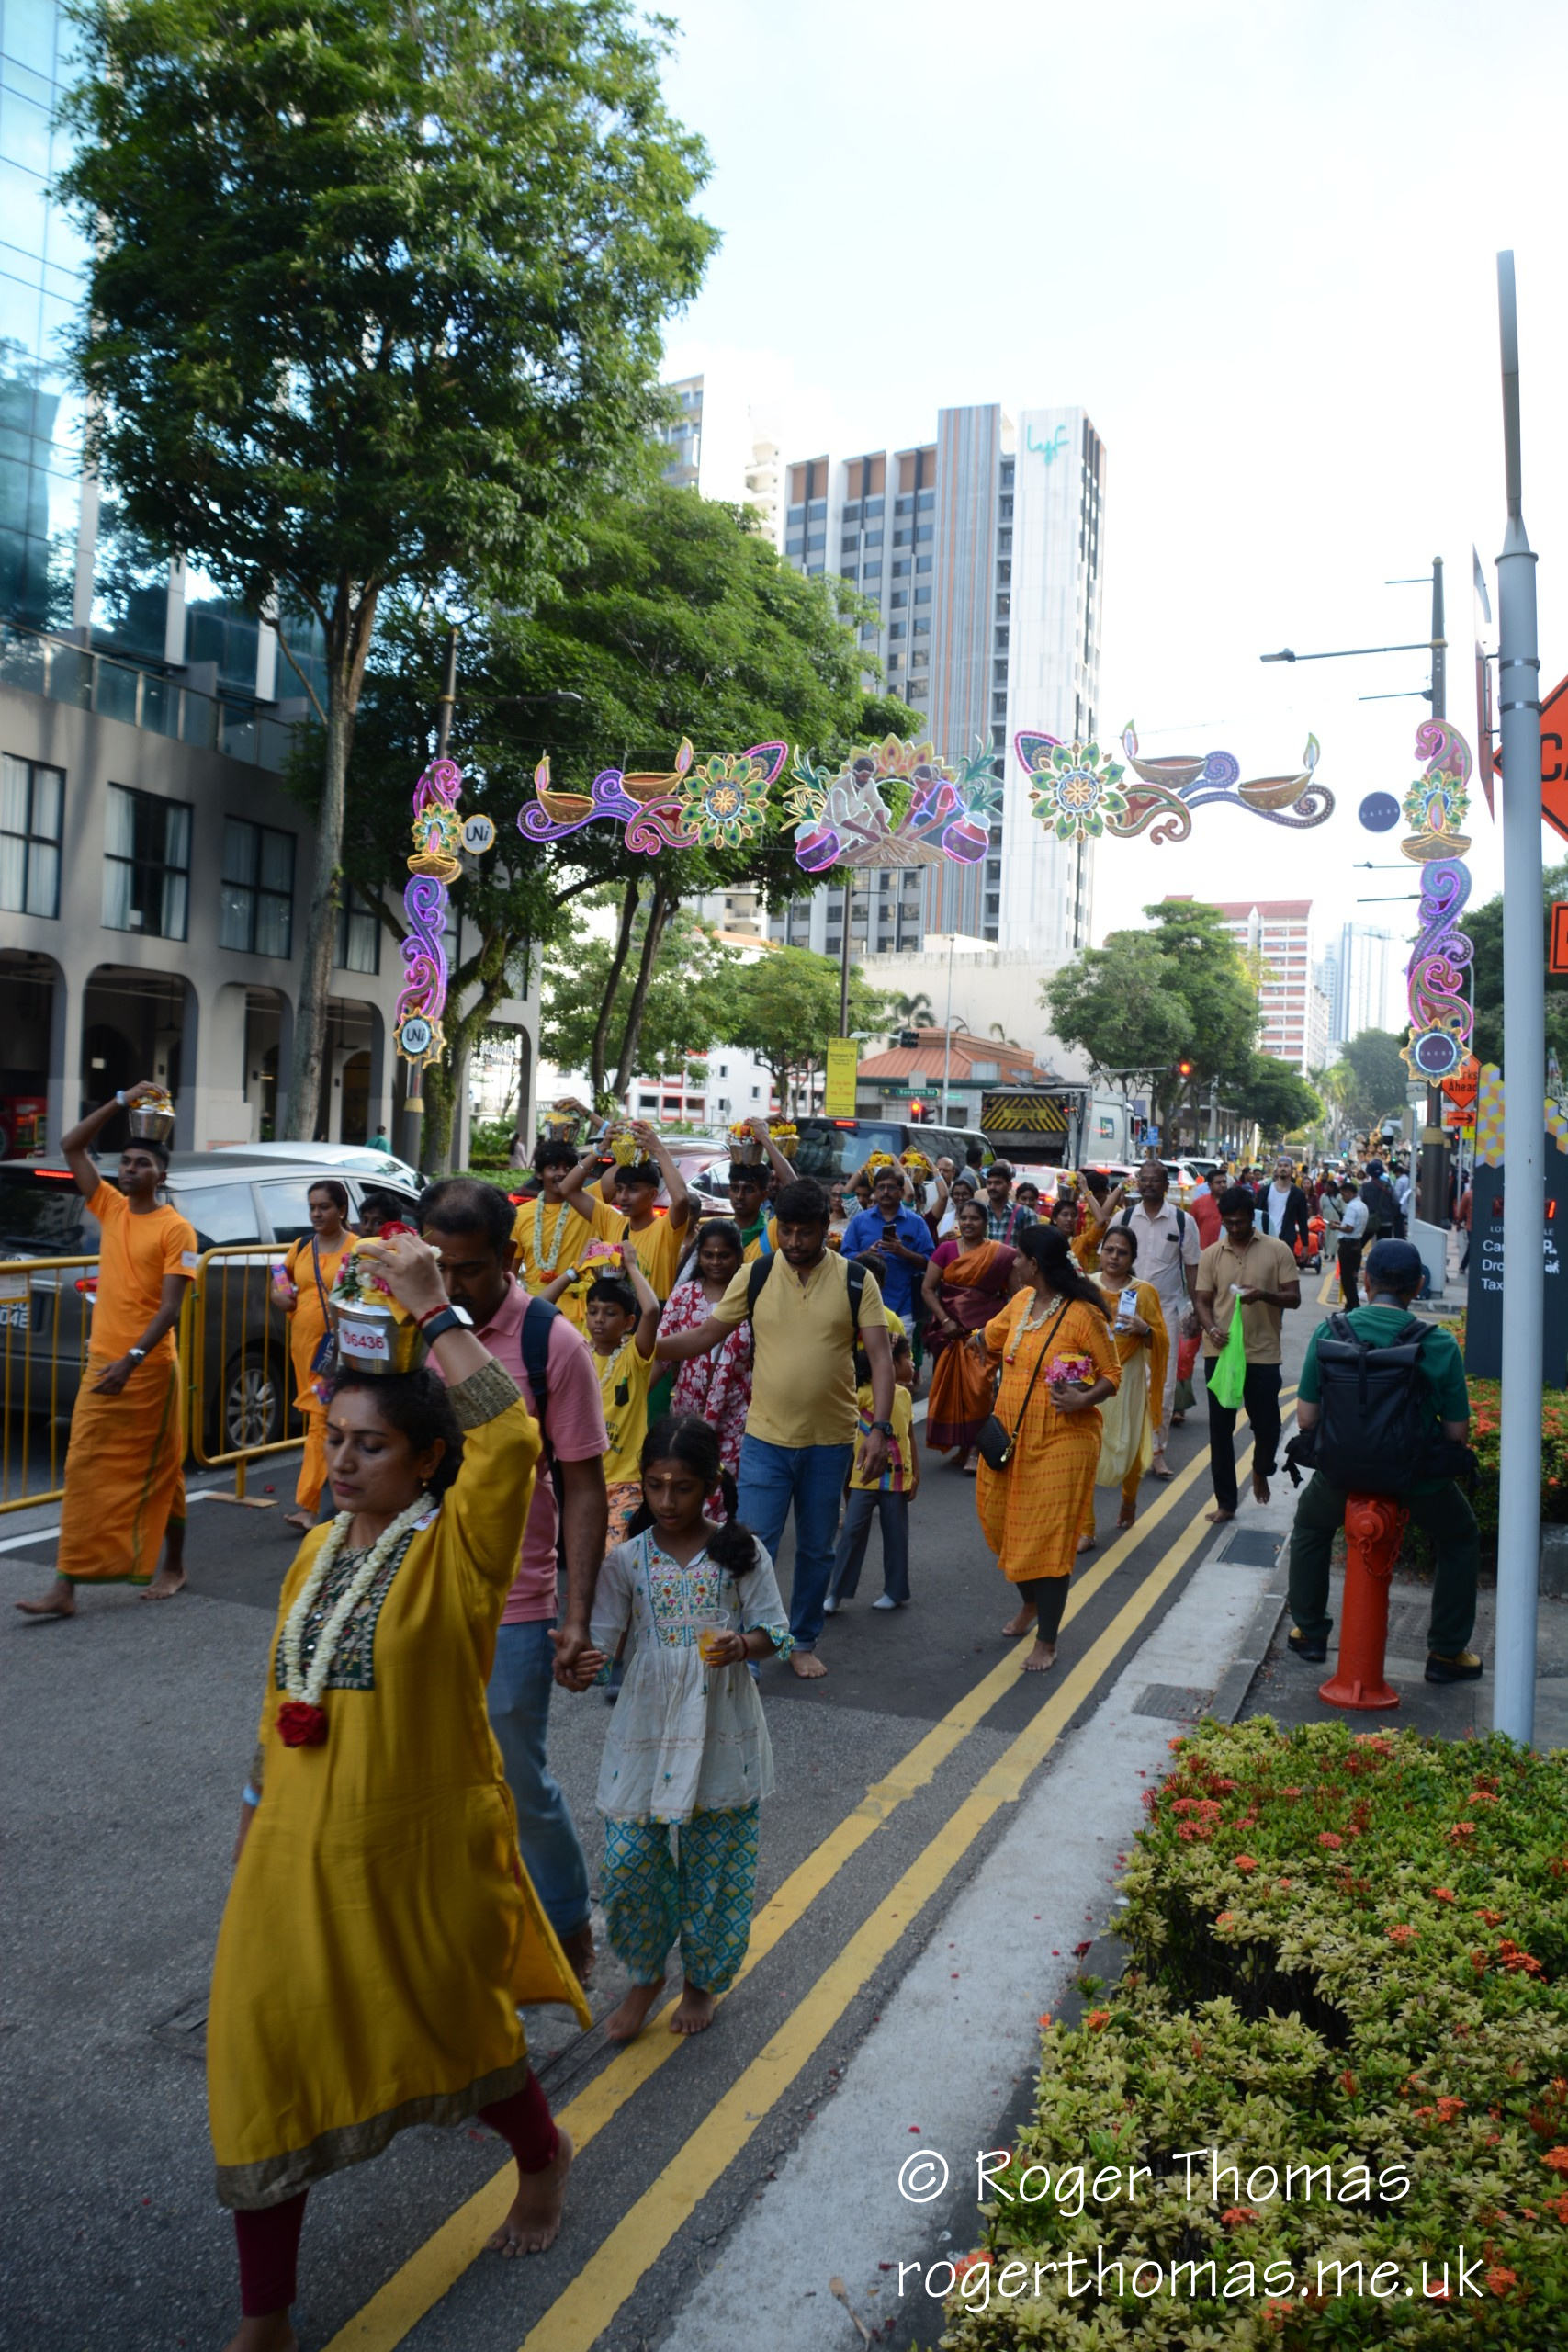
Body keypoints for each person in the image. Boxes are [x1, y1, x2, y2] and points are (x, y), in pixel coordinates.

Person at [206, 1231, 587, 2346]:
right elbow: (280, 1702)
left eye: (372, 1446)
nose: (346, 1461)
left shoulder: (457, 1554)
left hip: (416, 1852)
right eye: (336, 1440)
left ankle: (543, 2156)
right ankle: (265, 2317)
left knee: (457, 2030)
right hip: (293, 1853)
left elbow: (512, 1434)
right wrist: (248, 1814)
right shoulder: (313, 1552)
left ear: (426, 1459)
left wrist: (433, 1308)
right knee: (261, 2050)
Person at [419, 1177, 608, 1985]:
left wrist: (576, 1616)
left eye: (464, 1270)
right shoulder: (406, 1323)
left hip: (514, 1604)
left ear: (507, 1257)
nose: (448, 1286)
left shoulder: (550, 1342)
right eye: (435, 1265)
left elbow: (584, 1486)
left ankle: (567, 1932)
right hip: (416, 1593)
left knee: (516, 1783)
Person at [583, 1414, 793, 2044]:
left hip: (721, 1723)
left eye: (681, 1487)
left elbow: (775, 1633)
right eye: (654, 1486)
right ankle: (645, 1975)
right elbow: (599, 1644)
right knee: (628, 1862)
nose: (666, 1501)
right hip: (645, 1725)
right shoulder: (625, 1561)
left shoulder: (740, 1553)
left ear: (709, 1486)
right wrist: (575, 1661)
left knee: (715, 1866)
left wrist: (741, 1644)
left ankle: (702, 1980)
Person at [656, 1178, 894, 1680]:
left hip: (830, 1442)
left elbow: (880, 1358)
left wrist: (881, 1430)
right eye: (784, 1231)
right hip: (763, 1439)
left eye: (804, 1233)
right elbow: (704, 1334)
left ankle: (802, 1640)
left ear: (826, 1229)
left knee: (815, 1547)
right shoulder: (757, 1274)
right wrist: (645, 1349)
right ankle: (749, 1645)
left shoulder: (855, 1280)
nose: (792, 1243)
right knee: (752, 1543)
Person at [17, 1082, 197, 1619]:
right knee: (84, 1466)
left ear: (161, 1175)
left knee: (165, 1469)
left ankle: (175, 1565)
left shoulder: (177, 1230)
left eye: (142, 1163)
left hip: (147, 1368)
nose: (129, 1169)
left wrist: (132, 1361)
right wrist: (120, 1102)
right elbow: (72, 1146)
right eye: (126, 1161)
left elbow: (169, 1310)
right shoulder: (111, 1207)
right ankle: (65, 1587)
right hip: (104, 1363)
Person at [1284, 1238, 1482, 1683]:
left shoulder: (1329, 1332)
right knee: (1461, 1536)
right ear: (1418, 1285)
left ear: (1366, 1281)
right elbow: (1456, 1434)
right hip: (1417, 1481)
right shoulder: (1440, 1344)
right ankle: (1447, 1653)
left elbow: (1307, 1418)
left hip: (1342, 1475)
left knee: (1311, 1527)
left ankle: (1310, 1633)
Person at [972, 1224, 1119, 1675]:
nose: (1012, 1263)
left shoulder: (1083, 1315)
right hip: (1010, 1433)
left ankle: (1048, 1640)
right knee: (999, 1522)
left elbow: (1112, 1374)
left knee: (1049, 1538)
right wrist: (968, 1339)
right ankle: (1031, 1602)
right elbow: (990, 1339)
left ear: (1035, 1265)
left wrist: (1082, 1397)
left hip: (1063, 1437)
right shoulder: (1018, 1303)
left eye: (1019, 1257)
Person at [1195, 1184, 1301, 1524]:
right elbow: (1201, 1300)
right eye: (1229, 1223)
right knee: (1220, 1432)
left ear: (1252, 1218)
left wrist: (1264, 1295)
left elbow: (1294, 1297)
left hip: (1263, 1353)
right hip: (1221, 1352)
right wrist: (1210, 1327)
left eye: (1240, 1222)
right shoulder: (1212, 1253)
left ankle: (1260, 1469)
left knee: (1268, 1427)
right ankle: (1226, 1502)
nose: (1234, 1228)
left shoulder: (1277, 1249)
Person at [544, 1252, 660, 1548]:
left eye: (609, 1313)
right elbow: (539, 1308)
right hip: (579, 1479)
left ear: (628, 1322)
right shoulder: (576, 1349)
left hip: (623, 1481)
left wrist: (632, 1265)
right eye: (593, 1311)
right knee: (582, 1559)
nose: (598, 1319)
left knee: (612, 1557)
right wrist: (574, 1269)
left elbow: (651, 1311)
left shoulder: (635, 1357)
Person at [1100, 1159, 1199, 1482]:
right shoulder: (1124, 1217)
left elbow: (1193, 1270)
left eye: (1155, 1180)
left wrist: (1196, 1311)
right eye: (1143, 1179)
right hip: (1122, 1308)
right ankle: (1119, 1450)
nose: (1148, 1185)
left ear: (1165, 1186)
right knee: (1120, 1380)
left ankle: (1156, 1452)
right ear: (1137, 1182)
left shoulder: (1183, 1222)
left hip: (1164, 1312)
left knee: (1163, 1385)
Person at [1080, 1222, 1168, 1544]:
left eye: (1123, 1252)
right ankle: (1086, 1528)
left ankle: (1129, 1500)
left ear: (1133, 1258)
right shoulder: (1084, 1286)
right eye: (1110, 1249)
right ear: (1101, 1251)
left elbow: (1159, 1341)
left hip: (1126, 1379)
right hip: (1089, 1378)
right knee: (1086, 1448)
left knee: (1128, 1448)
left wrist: (1145, 1329)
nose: (1114, 1257)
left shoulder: (1143, 1292)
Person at [276, 1181, 355, 1533]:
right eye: (312, 1207)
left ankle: (309, 1506)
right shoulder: (302, 1246)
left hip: (338, 1349)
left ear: (341, 1210)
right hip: (304, 1348)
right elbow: (280, 1277)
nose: (317, 1213)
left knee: (320, 1420)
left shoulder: (358, 1247)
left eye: (324, 1207)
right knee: (321, 1419)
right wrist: (281, 1296)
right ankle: (345, 1493)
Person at [922, 1196, 1018, 1472]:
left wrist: (996, 1328)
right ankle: (965, 1447)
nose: (967, 1223)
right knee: (957, 1392)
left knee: (981, 1390)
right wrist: (944, 1320)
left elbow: (1015, 1297)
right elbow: (928, 1289)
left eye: (974, 1218)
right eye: (963, 1218)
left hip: (986, 1334)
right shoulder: (945, 1250)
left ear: (985, 1223)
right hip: (950, 1332)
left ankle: (977, 1450)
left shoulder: (1001, 1254)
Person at [826, 1332, 918, 1611]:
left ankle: (896, 1590)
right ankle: (836, 1592)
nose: (912, 1364)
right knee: (852, 1532)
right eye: (907, 1359)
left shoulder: (904, 1396)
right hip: (863, 1477)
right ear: (890, 1364)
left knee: (896, 1535)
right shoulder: (860, 1396)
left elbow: (911, 1436)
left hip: (898, 1477)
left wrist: (916, 1474)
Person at [656, 1221, 752, 1477]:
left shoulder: (752, 1298)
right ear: (699, 1256)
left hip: (736, 1420)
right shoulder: (683, 1296)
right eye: (708, 1255)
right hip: (688, 1417)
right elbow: (661, 1355)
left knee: (725, 1495)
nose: (716, 1262)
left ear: (738, 1256)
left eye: (724, 1255)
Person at [560, 1120, 692, 1303]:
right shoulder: (612, 1220)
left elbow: (681, 1199)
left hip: (651, 1328)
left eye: (633, 1190)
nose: (623, 1197)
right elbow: (568, 1189)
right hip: (617, 1327)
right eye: (620, 1189)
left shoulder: (667, 1229)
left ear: (653, 1194)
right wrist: (600, 1149)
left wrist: (659, 1150)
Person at [511, 1139, 623, 1332]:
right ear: (539, 1173)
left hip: (583, 1313)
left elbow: (620, 1169)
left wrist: (604, 1147)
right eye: (554, 1167)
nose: (562, 1173)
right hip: (537, 1309)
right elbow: (510, 1274)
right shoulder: (521, 1215)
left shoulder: (589, 1202)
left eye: (568, 1168)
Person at [840, 1161, 932, 1339]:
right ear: (875, 1192)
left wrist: (903, 1252)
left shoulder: (916, 1223)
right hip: (863, 1302)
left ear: (900, 1191)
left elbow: (929, 1262)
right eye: (881, 1187)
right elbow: (844, 1258)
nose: (885, 1192)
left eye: (891, 1187)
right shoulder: (860, 1221)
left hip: (905, 1307)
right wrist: (865, 1255)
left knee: (899, 1360)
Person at [726, 1120, 797, 1262]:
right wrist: (756, 1128)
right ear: (729, 1192)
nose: (739, 1196)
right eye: (735, 1188)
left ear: (764, 1195)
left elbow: (796, 1191)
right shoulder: (720, 1233)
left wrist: (765, 1137)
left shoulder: (771, 1232)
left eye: (749, 1190)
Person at [1258, 1156, 1310, 1257]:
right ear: (1276, 1170)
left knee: (1283, 1271)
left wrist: (1305, 1244)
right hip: (1266, 1238)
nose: (1283, 1168)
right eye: (1280, 1166)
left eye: (1286, 1166)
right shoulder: (1264, 1191)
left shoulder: (1298, 1194)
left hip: (1287, 1240)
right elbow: (1257, 1215)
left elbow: (1302, 1220)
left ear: (1291, 1169)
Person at [1336, 1178, 1371, 1306]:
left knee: (1346, 1278)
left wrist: (1336, 1227)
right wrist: (1341, 1224)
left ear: (1349, 1192)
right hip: (1357, 1244)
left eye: (1343, 1194)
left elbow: (1349, 1228)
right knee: (1352, 1276)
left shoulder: (1352, 1206)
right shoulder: (1363, 1206)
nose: (1343, 1198)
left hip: (1347, 1245)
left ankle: (1352, 1304)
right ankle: (1352, 1304)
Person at [984, 1159, 1035, 1244]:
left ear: (1009, 1185)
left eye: (998, 1183)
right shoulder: (980, 1212)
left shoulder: (1026, 1214)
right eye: (989, 1183)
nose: (992, 1187)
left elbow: (1033, 1247)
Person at [1359, 1159, 1402, 1244]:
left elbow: (1359, 1202)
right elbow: (1396, 1201)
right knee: (1384, 1246)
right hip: (1387, 1221)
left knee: (1360, 1244)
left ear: (1369, 1172)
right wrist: (1393, 1215)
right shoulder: (1389, 1186)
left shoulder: (1364, 1187)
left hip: (1370, 1221)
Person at [1190, 1167, 1224, 1250]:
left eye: (1224, 1182)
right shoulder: (1198, 1203)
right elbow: (1190, 1229)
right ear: (1209, 1185)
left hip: (1225, 1252)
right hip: (1203, 1251)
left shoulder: (1233, 1202)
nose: (1222, 1185)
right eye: (1218, 1183)